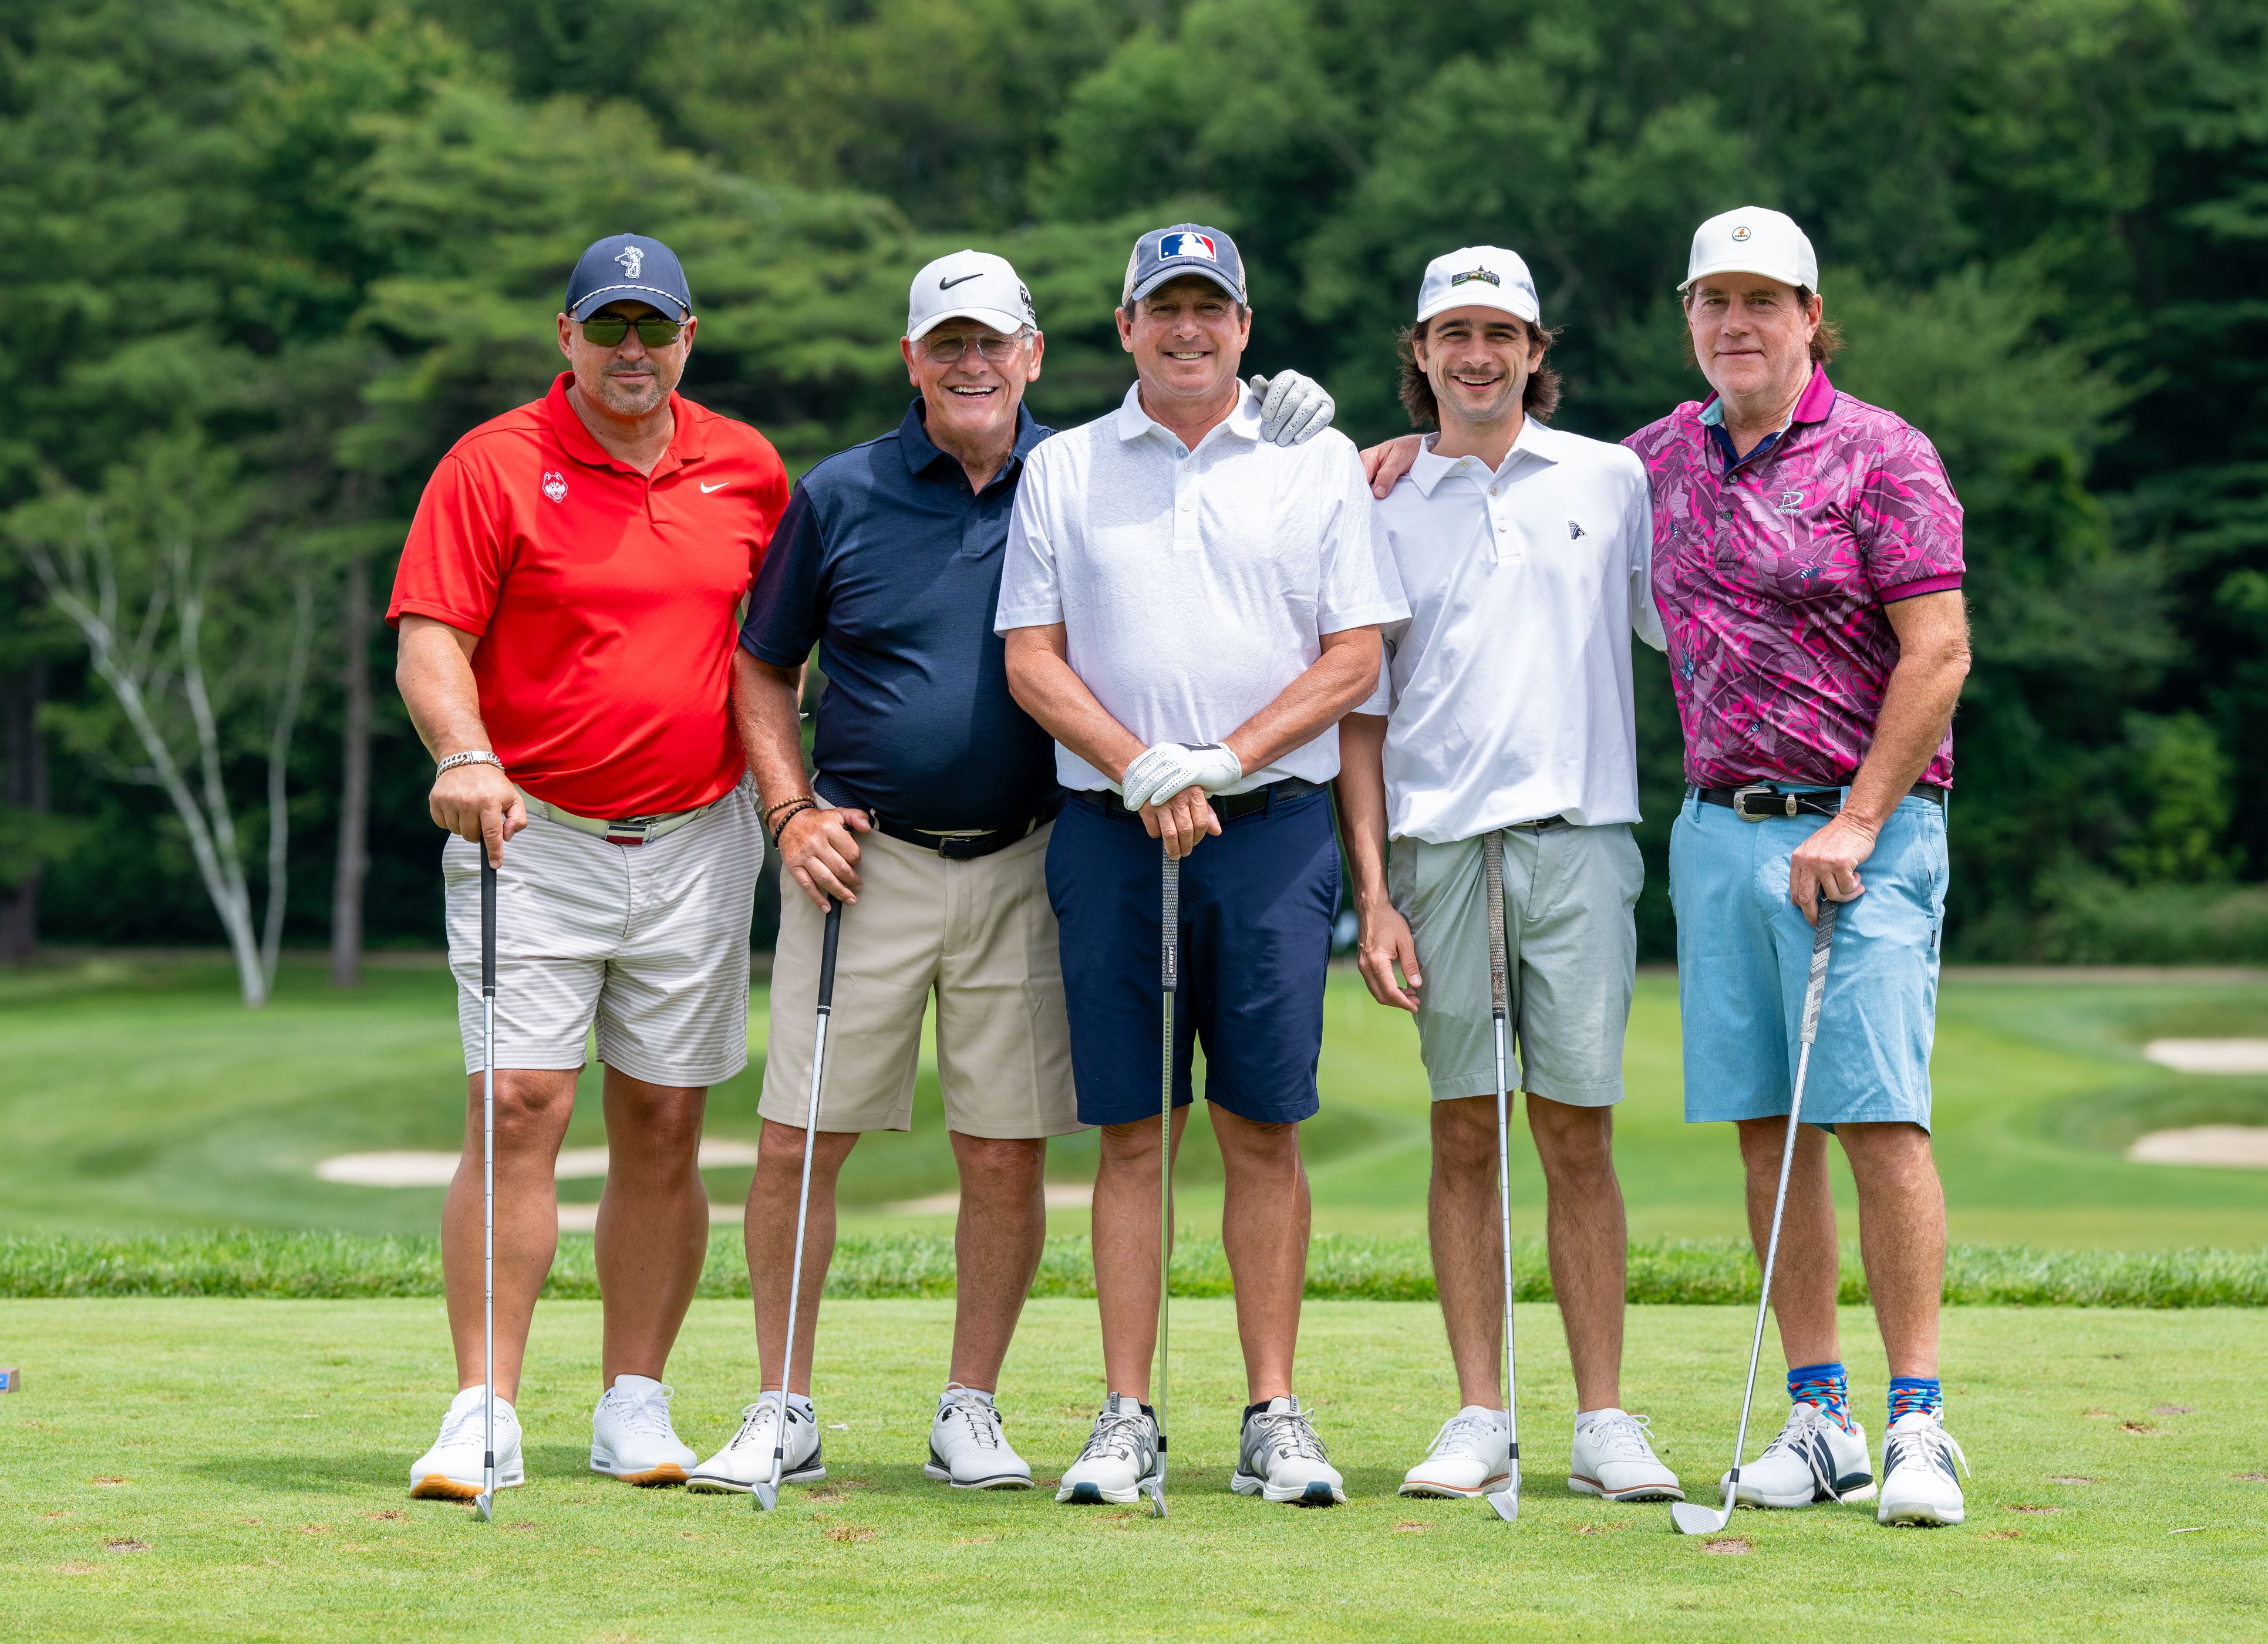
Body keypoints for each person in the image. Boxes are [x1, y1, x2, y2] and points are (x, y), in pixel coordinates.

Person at [685, 250, 1337, 1494]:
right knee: (798, 1140)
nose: (972, 363)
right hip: (857, 857)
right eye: (948, 343)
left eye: (994, 341)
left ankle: (968, 1405)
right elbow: (763, 666)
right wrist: (786, 806)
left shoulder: (1086, 471)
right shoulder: (846, 491)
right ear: (912, 360)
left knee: (1004, 1148)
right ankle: (782, 1400)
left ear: (1037, 352)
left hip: (1038, 855)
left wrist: (1339, 435)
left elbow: (1252, 517)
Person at [1373, 206, 1974, 1526]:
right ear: (1689, 316)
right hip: (1716, 829)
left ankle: (1919, 1418)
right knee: (1768, 1128)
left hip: (1861, 832)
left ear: (1812, 316)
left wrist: (1862, 819)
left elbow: (1938, 654)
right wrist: (1404, 453)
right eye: (1716, 301)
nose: (1739, 324)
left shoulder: (1886, 454)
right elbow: (1496, 482)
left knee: (1877, 1116)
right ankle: (1819, 1415)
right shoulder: (1652, 466)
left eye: (1766, 301)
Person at [997, 223, 1404, 1508]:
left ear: (1244, 324)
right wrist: (1141, 767)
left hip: (1273, 828)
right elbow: (1032, 658)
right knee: (1132, 1130)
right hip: (1115, 831)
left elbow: (1354, 658)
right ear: (1124, 327)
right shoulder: (1063, 468)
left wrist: (1219, 760)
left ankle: (1272, 1411)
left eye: (1210, 310)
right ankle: (1126, 1412)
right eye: (1162, 309)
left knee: (1264, 1126)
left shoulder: (1315, 461)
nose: (1187, 330)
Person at [391, 234, 789, 1499]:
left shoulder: (747, 468)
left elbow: (777, 648)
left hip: (699, 831)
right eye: (607, 328)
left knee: (667, 1118)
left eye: (653, 329)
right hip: (533, 828)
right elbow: (430, 637)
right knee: (517, 1105)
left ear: (688, 337)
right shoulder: (494, 463)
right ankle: (484, 1407)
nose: (632, 351)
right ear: (565, 336)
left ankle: (634, 1397)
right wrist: (462, 754)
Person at [1333, 246, 1682, 1507]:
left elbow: (1680, 628)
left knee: (1578, 1132)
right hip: (1439, 848)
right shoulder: (1374, 497)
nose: (1477, 353)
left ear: (1537, 350)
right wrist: (1372, 892)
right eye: (1451, 333)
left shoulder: (1612, 475)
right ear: (1420, 355)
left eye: (1501, 332)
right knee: (1465, 1128)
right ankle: (1481, 1407)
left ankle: (1601, 1416)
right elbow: (1360, 716)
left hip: (1582, 833)